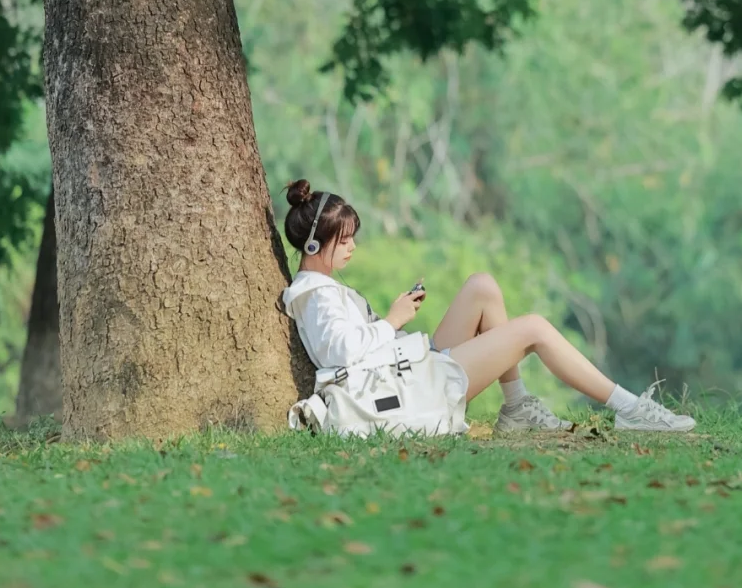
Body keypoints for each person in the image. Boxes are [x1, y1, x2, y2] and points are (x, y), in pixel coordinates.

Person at [281, 180, 696, 434]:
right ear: (316, 244)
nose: (353, 247)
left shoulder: (325, 289)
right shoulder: (315, 296)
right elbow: (341, 353)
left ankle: (516, 408)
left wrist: (396, 322)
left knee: (482, 286)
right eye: (345, 239)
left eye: (354, 237)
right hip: (407, 390)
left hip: (407, 371)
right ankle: (630, 409)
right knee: (532, 328)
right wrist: (392, 320)